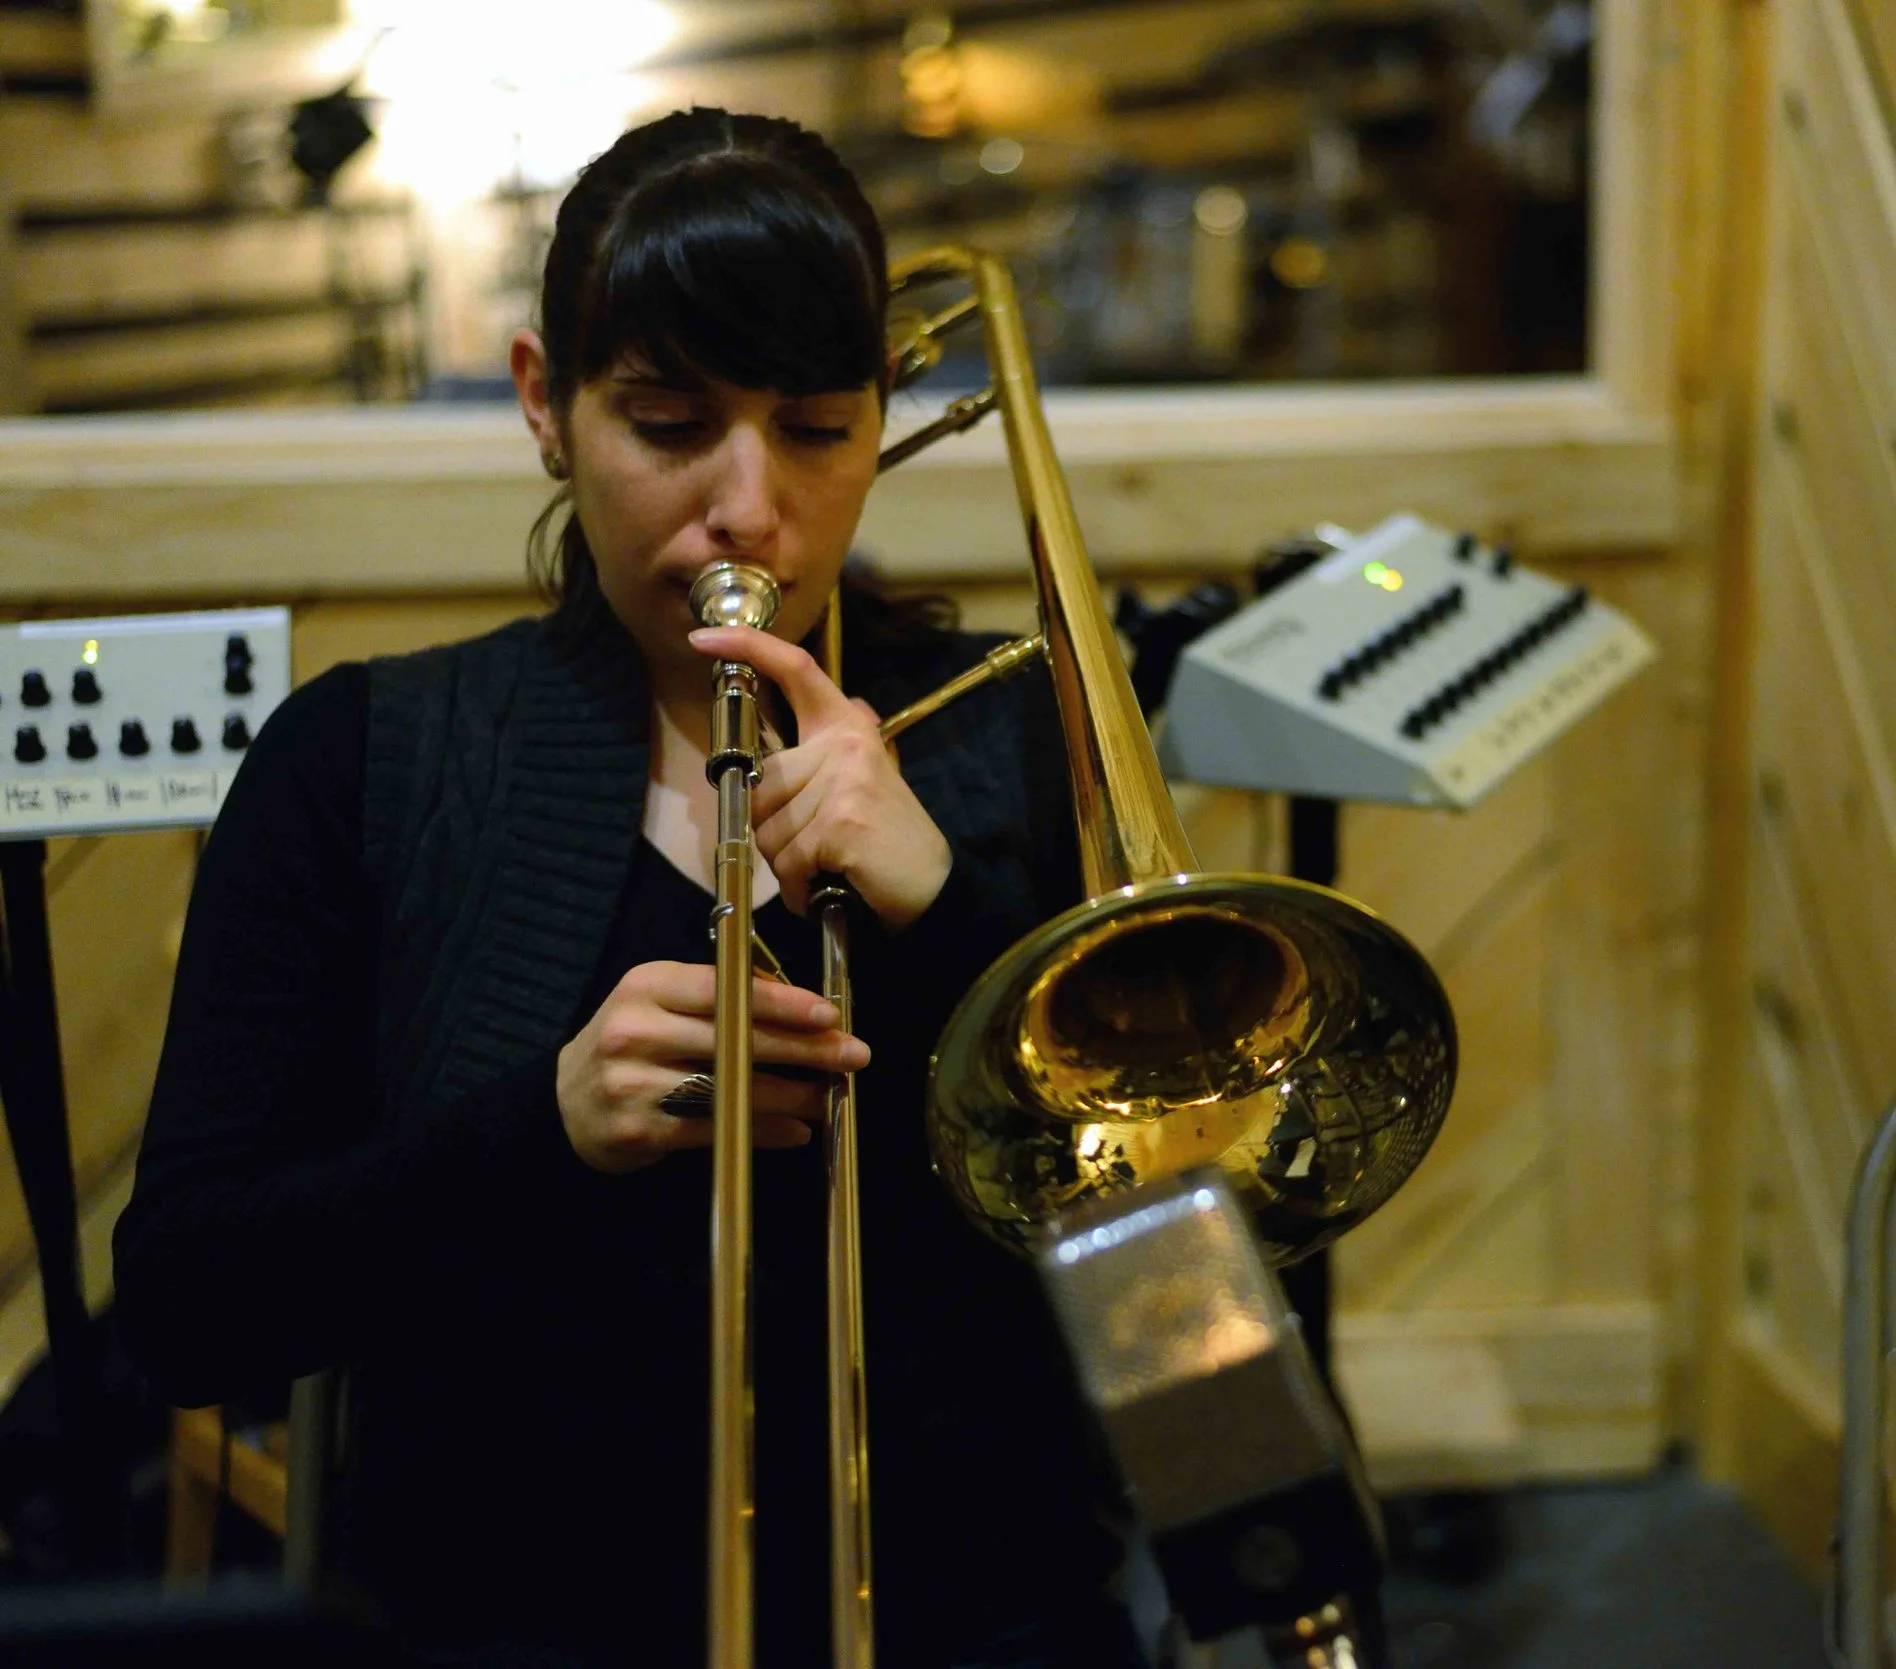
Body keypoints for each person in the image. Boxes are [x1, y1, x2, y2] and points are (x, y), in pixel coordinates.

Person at [112, 108, 1143, 1669]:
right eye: (671, 423)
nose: (749, 509)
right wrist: (546, 1130)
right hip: (512, 1603)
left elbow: (1178, 1249)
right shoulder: (366, 759)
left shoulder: (1019, 723)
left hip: (978, 1598)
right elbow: (192, 1300)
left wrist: (952, 924)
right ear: (546, 404)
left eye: (814, 426)